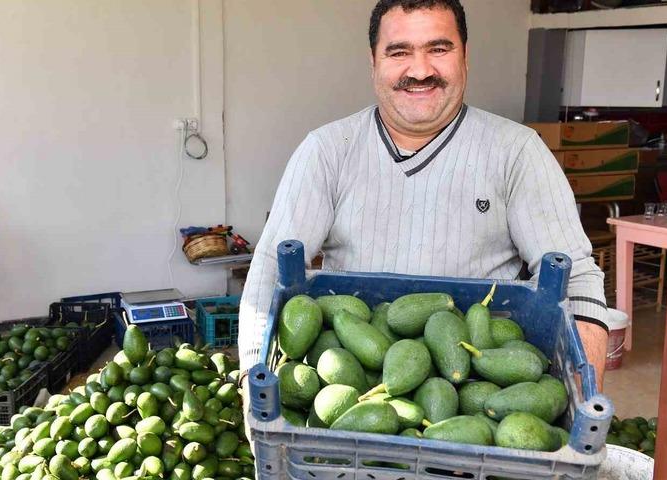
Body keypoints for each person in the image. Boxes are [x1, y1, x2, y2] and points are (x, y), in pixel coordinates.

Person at [237, 0, 608, 390]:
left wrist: (582, 395)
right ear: (374, 62)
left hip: (478, 393)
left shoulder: (517, 152)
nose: (420, 70)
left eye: (439, 49)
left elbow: (576, 279)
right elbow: (271, 264)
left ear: (465, 56)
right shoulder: (327, 150)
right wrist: (251, 373)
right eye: (399, 52)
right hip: (352, 386)